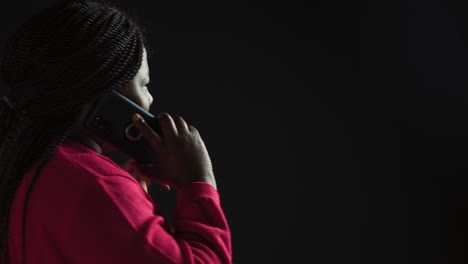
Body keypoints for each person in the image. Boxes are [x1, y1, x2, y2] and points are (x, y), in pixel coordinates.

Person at [0, 0, 232, 263]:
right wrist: (199, 183)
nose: (151, 98)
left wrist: (129, 205)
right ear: (107, 92)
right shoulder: (95, 183)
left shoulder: (22, 162)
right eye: (144, 84)